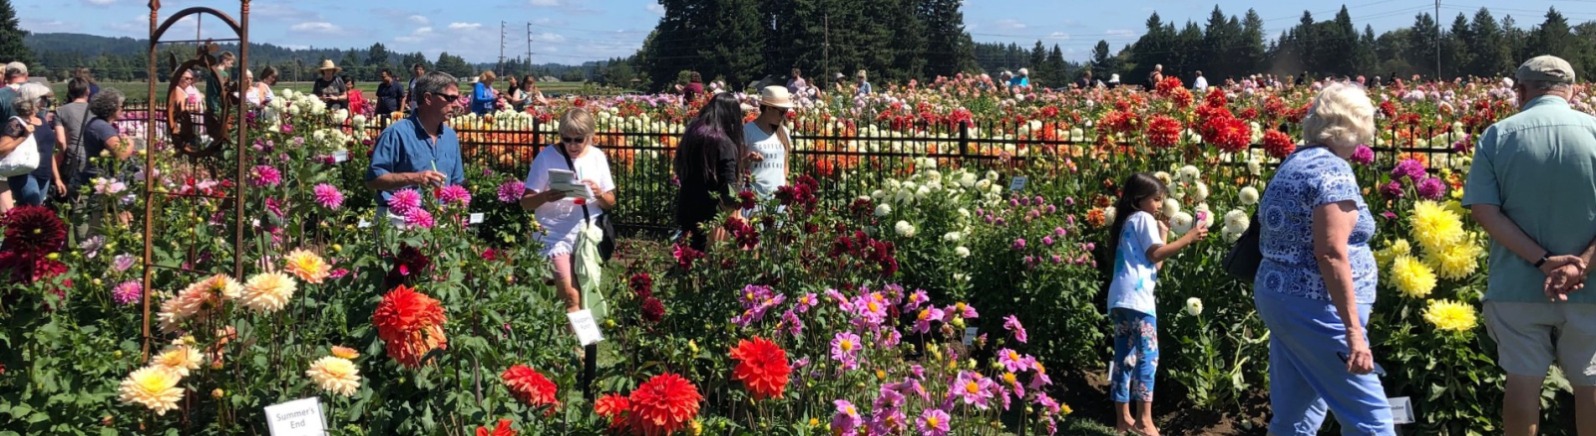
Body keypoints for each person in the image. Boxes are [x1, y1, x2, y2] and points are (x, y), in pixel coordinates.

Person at [1464, 55, 1596, 436]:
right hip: (1589, 287)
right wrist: (1580, 265)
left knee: (1523, 379)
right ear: (1572, 90)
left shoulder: (1498, 135)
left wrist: (1543, 262)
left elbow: (1485, 211)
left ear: (1520, 91)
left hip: (1518, 284)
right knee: (1591, 381)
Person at [1253, 82, 1393, 435]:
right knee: (1372, 421)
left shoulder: (1296, 162)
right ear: (1356, 126)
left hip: (1284, 300)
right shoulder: (1332, 171)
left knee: (1296, 415)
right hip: (1317, 306)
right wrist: (1354, 335)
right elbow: (1331, 253)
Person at [1104, 172, 1208, 436]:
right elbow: (1156, 253)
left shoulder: (1128, 220)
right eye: (1156, 199)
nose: (1160, 205)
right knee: (1148, 357)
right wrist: (1189, 237)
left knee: (1124, 357)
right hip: (1139, 301)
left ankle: (1123, 419)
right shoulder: (1144, 217)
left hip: (1120, 298)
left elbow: (1154, 263)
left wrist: (1163, 235)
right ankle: (1144, 421)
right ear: (1140, 199)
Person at [519, 107, 616, 313]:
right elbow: (525, 202)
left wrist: (598, 193)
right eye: (566, 139)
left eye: (578, 140)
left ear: (590, 136)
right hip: (555, 232)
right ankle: (577, 345)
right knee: (571, 295)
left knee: (587, 289)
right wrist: (545, 196)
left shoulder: (597, 156)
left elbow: (610, 202)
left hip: (586, 232)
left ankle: (584, 340)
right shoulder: (547, 157)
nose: (572, 145)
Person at [364, 71, 466, 219]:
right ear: (428, 98)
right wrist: (414, 178)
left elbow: (457, 182)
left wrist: (456, 212)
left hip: (440, 221)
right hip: (399, 222)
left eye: (457, 98)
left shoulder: (450, 137)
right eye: (450, 98)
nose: (457, 104)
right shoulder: (395, 134)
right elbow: (373, 180)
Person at [674, 93, 747, 251]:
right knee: (707, 263)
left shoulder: (693, 134)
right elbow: (730, 190)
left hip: (687, 206)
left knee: (688, 256)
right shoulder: (725, 143)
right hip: (711, 215)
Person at [73, 88, 135, 240]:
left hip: (101, 178)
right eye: (121, 106)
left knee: (110, 220)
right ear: (111, 108)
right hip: (103, 180)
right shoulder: (102, 127)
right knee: (108, 222)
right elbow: (121, 154)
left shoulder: (96, 124)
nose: (122, 109)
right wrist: (130, 143)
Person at [743, 86, 794, 209]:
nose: (784, 116)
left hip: (778, 199)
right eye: (782, 112)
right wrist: (749, 158)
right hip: (755, 199)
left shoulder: (783, 132)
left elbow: (785, 167)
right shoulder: (748, 130)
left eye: (786, 112)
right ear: (769, 108)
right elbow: (738, 166)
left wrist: (787, 197)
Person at [6, 84, 55, 207]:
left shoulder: (41, 120)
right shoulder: (17, 122)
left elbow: (49, 149)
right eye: (43, 98)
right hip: (25, 172)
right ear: (34, 100)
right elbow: (2, 147)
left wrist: (57, 177)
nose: (46, 102)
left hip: (44, 173)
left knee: (37, 212)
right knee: (32, 211)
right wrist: (23, 136)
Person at [54, 78, 91, 202]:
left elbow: (60, 139)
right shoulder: (95, 110)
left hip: (73, 154)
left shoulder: (61, 111)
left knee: (72, 193)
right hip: (92, 154)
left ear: (69, 92)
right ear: (87, 91)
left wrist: (64, 154)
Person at [0, 62, 27, 128]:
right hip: (37, 135)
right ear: (26, 75)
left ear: (5, 76)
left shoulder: (2, 94)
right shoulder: (40, 91)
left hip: (7, 135)